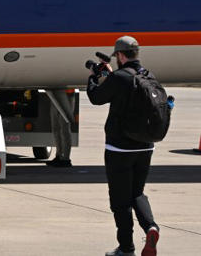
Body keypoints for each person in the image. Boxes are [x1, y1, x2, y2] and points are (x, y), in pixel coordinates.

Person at [87, 36, 160, 256]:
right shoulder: (148, 76)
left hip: (119, 149)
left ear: (120, 55)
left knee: (120, 201)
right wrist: (111, 75)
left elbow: (96, 97)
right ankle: (151, 227)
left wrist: (93, 78)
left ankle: (126, 248)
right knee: (137, 193)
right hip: (146, 146)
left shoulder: (119, 78)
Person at [46, 88, 76, 167]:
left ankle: (66, 158)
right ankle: (59, 155)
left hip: (66, 95)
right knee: (55, 128)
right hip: (54, 92)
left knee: (65, 128)